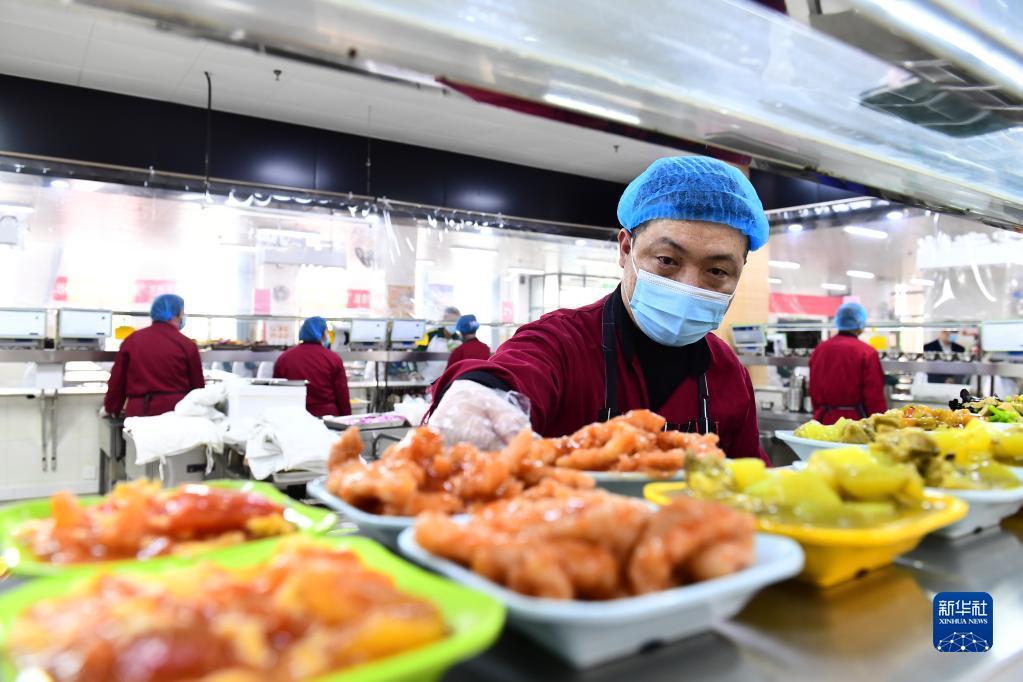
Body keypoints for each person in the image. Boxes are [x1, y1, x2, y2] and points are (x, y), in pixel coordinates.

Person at [428, 156, 769, 461]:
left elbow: (752, 482)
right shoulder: (562, 342)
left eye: (717, 271)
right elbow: (513, 372)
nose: (689, 286)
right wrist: (478, 395)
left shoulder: (729, 374)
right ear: (625, 249)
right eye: (667, 260)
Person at [103, 294, 205, 417]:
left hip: (140, 414)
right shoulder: (187, 345)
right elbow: (198, 388)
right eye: (182, 313)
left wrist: (111, 408)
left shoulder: (132, 340)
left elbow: (118, 382)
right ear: (177, 315)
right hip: (177, 413)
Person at [808, 302, 887, 424]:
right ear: (860, 323)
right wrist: (881, 424)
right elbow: (874, 396)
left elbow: (813, 389)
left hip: (823, 418)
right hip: (854, 421)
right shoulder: (866, 352)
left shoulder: (819, 349)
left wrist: (819, 412)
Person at [273, 316, 351, 418]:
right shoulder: (333, 358)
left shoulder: (284, 358)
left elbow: (276, 392)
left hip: (294, 416)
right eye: (326, 332)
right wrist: (347, 419)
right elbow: (342, 394)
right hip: (327, 418)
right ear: (322, 334)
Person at [420, 306, 462, 383]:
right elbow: (415, 354)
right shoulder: (428, 334)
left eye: (456, 322)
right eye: (450, 321)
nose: (453, 325)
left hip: (449, 382)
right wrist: (415, 373)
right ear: (443, 320)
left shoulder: (459, 339)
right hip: (427, 381)